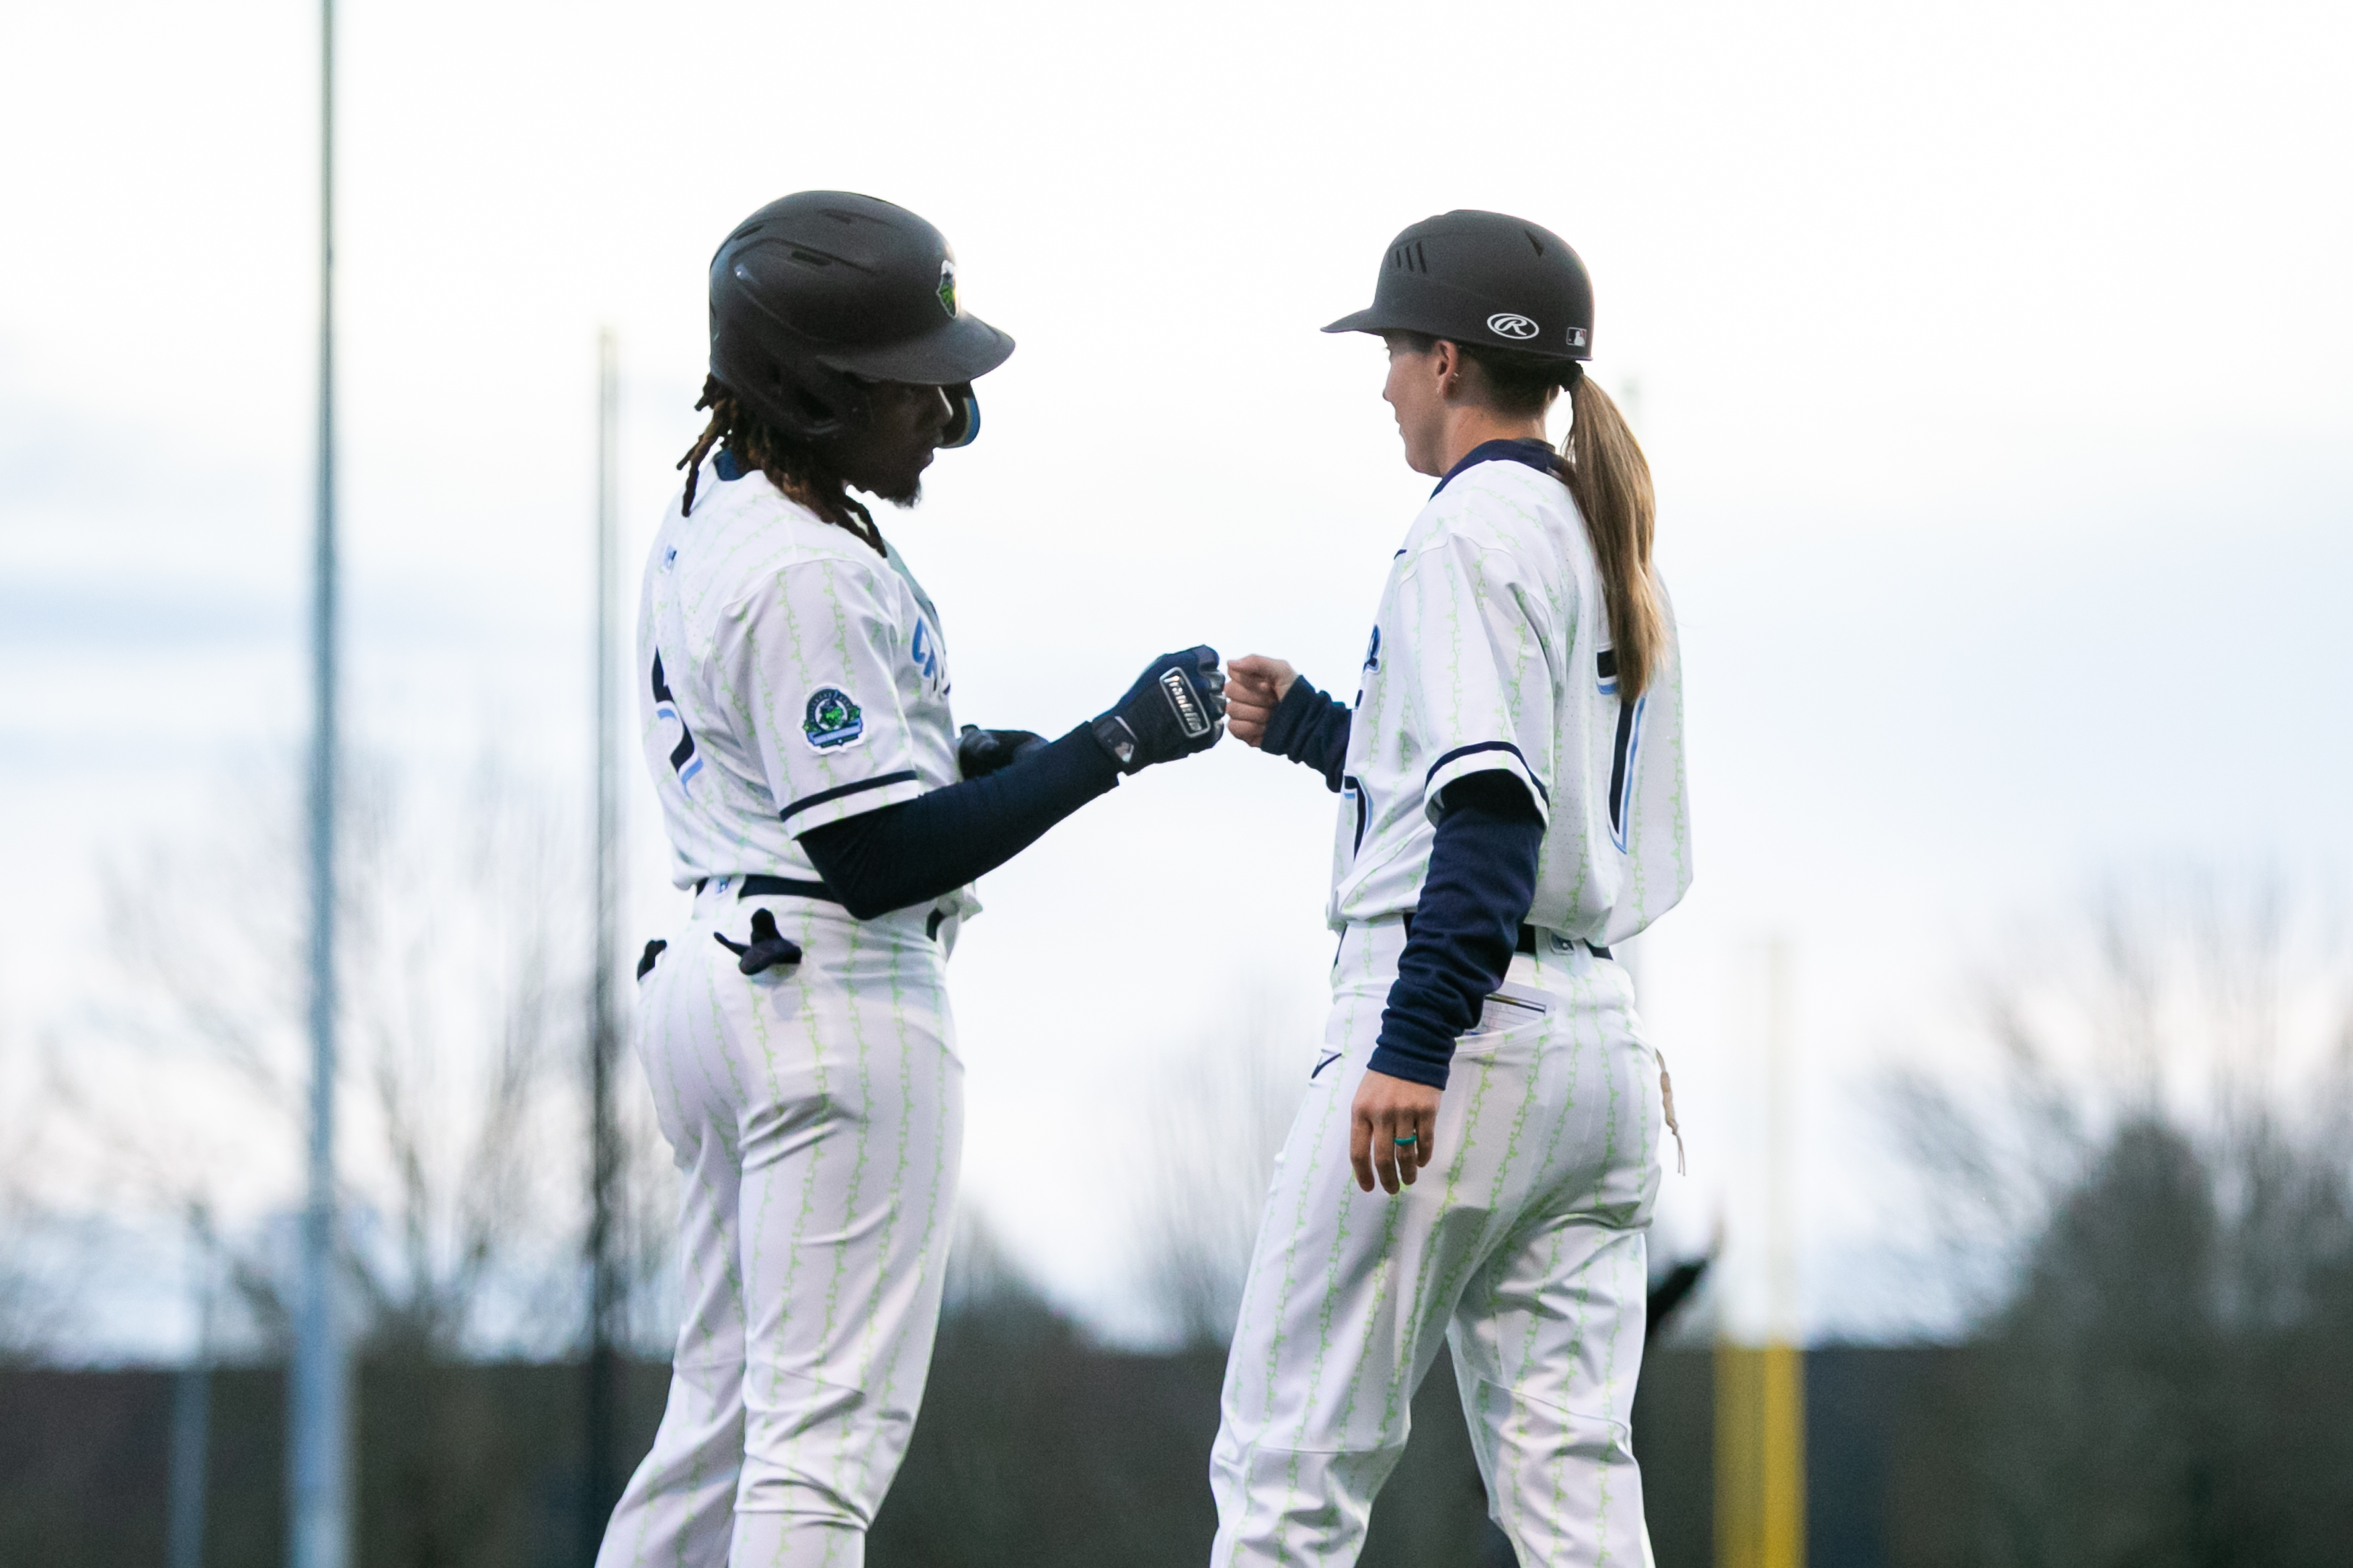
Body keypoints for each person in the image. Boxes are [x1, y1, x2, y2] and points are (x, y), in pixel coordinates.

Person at [599, 190, 1227, 1568]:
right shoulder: (799, 567)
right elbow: (878, 856)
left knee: (717, 1426)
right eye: (912, 380)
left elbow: (845, 769)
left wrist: (993, 752)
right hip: (825, 990)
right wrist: (1109, 747)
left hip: (721, 967)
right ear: (818, 390)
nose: (944, 409)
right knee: (816, 1454)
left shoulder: (722, 500)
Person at [1209, 210, 1691, 1567]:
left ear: (1440, 359)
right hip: (1599, 1043)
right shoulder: (1610, 541)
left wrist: (1413, 1045)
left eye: (1388, 353)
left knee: (1286, 1469)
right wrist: (1317, 727)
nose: (1378, 384)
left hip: (1460, 1031)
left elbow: (1486, 811)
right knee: (1574, 1498)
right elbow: (1511, 787)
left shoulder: (1464, 532)